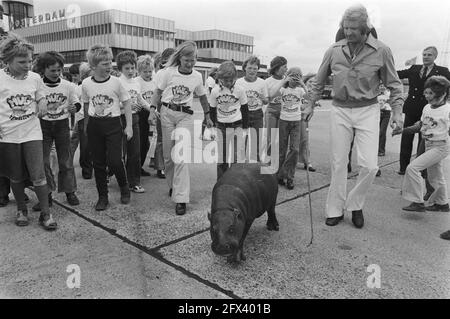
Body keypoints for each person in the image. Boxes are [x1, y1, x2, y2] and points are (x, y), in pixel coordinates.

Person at [305, 5, 404, 228]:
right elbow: (319, 82)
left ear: (365, 29)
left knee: (370, 166)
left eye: (353, 29)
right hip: (339, 109)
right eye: (345, 28)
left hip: (368, 109)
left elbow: (395, 85)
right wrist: (310, 104)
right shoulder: (333, 50)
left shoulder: (382, 50)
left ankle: (355, 204)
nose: (348, 33)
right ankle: (334, 209)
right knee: (339, 163)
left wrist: (397, 112)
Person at [0, 33, 56, 230]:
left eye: (30, 60)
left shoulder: (34, 78)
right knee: (15, 176)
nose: (28, 65)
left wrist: (42, 103)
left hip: (32, 132)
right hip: (8, 135)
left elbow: (41, 96)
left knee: (38, 174)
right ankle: (21, 209)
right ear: (7, 59)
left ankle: (46, 214)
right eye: (22, 61)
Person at [151, 41, 213, 216]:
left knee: (182, 157)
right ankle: (174, 186)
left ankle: (181, 198)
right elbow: (157, 92)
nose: (190, 63)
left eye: (193, 60)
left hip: (186, 116)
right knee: (169, 157)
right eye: (187, 60)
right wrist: (152, 109)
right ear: (180, 58)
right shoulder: (168, 73)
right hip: (167, 113)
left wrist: (207, 116)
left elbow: (202, 97)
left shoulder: (197, 77)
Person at [82, 44, 132, 211]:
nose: (109, 66)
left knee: (115, 161)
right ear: (93, 66)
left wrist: (129, 126)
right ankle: (103, 196)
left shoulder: (117, 82)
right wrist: (86, 125)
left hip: (113, 124)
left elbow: (127, 102)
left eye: (110, 62)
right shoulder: (86, 83)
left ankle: (124, 187)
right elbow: (86, 103)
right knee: (98, 163)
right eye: (105, 64)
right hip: (95, 126)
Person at [32, 51, 80, 211]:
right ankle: (47, 195)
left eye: (59, 70)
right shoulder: (38, 86)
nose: (56, 73)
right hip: (43, 127)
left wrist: (75, 108)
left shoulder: (67, 85)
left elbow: (76, 102)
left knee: (65, 161)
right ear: (43, 69)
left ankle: (69, 191)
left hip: (61, 125)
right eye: (52, 70)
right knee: (44, 162)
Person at [396, 76, 450, 213]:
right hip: (428, 144)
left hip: (440, 146)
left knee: (413, 168)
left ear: (442, 94)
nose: (426, 96)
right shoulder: (426, 107)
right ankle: (442, 203)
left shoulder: (447, 111)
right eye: (426, 92)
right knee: (435, 176)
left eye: (430, 93)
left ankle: (417, 201)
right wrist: (404, 130)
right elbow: (421, 125)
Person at [397, 46, 450, 175]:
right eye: (424, 54)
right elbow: (397, 74)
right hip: (412, 109)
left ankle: (421, 168)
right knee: (406, 139)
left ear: (435, 57)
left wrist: (443, 102)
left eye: (429, 55)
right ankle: (403, 167)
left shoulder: (442, 71)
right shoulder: (414, 68)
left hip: (429, 110)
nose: (426, 57)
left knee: (424, 140)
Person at [116, 50, 152, 193]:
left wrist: (151, 108)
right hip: (120, 119)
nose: (131, 71)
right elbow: (113, 103)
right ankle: (114, 176)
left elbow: (140, 99)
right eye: (127, 68)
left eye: (132, 68)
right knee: (118, 153)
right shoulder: (117, 82)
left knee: (135, 152)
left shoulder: (136, 83)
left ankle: (134, 182)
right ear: (120, 69)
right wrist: (126, 106)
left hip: (135, 119)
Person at [210, 60, 249, 180]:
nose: (228, 82)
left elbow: (245, 109)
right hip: (221, 126)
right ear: (219, 78)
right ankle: (221, 181)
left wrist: (245, 128)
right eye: (225, 80)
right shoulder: (215, 91)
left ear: (235, 78)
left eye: (230, 80)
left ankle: (235, 180)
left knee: (237, 156)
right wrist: (212, 128)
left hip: (237, 124)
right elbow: (212, 110)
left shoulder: (240, 90)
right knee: (222, 157)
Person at [277, 67, 306, 189]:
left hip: (296, 121)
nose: (295, 78)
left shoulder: (300, 90)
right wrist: (284, 81)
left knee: (295, 150)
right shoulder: (283, 89)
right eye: (293, 75)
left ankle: (288, 176)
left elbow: (310, 97)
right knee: (282, 151)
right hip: (284, 121)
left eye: (298, 75)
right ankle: (279, 176)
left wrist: (303, 84)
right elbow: (273, 93)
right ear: (288, 76)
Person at [236, 56, 268, 162]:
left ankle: (255, 168)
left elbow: (266, 101)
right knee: (241, 143)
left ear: (258, 69)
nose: (252, 71)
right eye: (250, 68)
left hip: (257, 114)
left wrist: (264, 99)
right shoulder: (238, 82)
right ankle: (241, 165)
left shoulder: (262, 83)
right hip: (242, 114)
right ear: (244, 68)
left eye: (255, 68)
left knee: (257, 143)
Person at [70, 62, 94, 179]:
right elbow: (76, 104)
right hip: (82, 118)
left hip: (97, 117)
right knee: (85, 146)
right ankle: (86, 169)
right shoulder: (79, 88)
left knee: (93, 145)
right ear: (84, 76)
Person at [264, 56, 290, 161]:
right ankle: (269, 158)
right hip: (271, 111)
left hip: (284, 112)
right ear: (277, 68)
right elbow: (269, 96)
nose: (286, 69)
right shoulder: (267, 81)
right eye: (284, 67)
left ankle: (277, 160)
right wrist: (282, 83)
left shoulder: (287, 80)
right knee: (271, 137)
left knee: (281, 138)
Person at [136, 54, 157, 177]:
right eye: (145, 72)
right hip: (141, 114)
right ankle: (136, 167)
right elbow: (136, 98)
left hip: (152, 112)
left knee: (147, 143)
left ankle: (140, 166)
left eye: (150, 71)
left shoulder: (155, 82)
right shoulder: (137, 82)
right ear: (139, 71)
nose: (148, 74)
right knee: (141, 142)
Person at [298, 73, 318, 172]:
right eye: (310, 81)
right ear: (305, 82)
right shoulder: (300, 90)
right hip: (293, 118)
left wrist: (315, 103)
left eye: (314, 82)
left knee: (304, 141)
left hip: (304, 120)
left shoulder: (313, 93)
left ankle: (307, 162)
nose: (312, 84)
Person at [375, 84, 391, 177]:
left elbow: (391, 103)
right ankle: (376, 148)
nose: (381, 87)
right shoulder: (375, 93)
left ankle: (381, 150)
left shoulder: (388, 94)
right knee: (376, 132)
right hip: (377, 112)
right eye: (380, 85)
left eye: (383, 86)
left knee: (382, 131)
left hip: (386, 113)